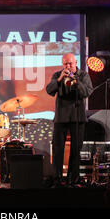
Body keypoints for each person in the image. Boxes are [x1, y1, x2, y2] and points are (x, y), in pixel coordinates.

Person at [46, 53, 93, 185]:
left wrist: (76, 81)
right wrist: (60, 79)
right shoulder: (57, 75)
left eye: (70, 64)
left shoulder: (83, 75)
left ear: (76, 62)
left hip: (77, 116)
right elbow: (49, 90)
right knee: (57, 148)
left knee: (75, 149)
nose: (68, 66)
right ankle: (57, 178)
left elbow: (87, 92)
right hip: (61, 116)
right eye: (65, 64)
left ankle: (73, 178)